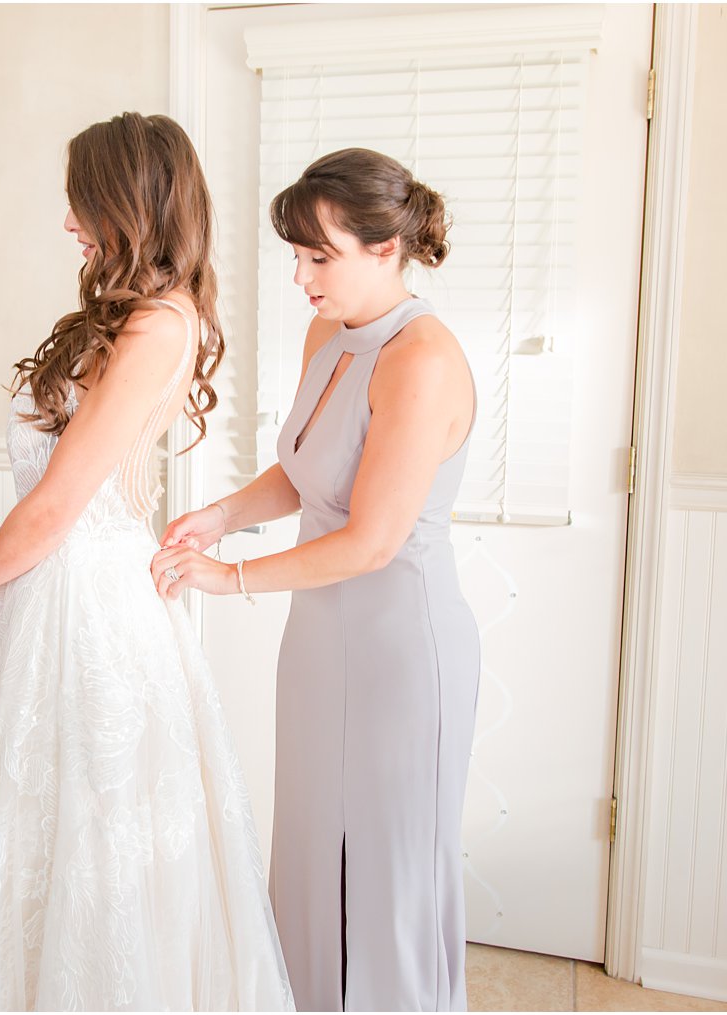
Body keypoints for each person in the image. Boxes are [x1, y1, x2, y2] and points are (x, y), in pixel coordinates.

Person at [0, 113, 292, 1011]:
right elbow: (51, 506)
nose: (68, 221)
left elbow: (56, 506)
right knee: (34, 835)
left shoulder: (160, 324)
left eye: (79, 201)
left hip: (90, 602)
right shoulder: (117, 319)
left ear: (125, 202)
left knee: (96, 835)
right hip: (53, 591)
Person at [152, 147, 480, 1011]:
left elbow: (371, 538)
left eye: (318, 256)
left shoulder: (424, 360)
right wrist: (220, 513)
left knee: (386, 871)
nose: (299, 275)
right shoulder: (324, 334)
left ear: (386, 248)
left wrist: (230, 577)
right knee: (309, 854)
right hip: (318, 645)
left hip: (401, 654)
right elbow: (303, 472)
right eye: (295, 255)